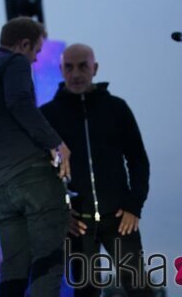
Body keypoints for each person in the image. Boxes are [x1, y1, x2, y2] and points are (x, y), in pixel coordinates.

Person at [0, 17, 70, 297]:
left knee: (14, 266)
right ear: (23, 44)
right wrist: (56, 143)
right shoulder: (16, 63)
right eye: (36, 51)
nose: (34, 60)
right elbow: (19, 103)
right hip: (33, 178)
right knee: (48, 260)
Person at [40, 44, 152, 297]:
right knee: (87, 291)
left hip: (120, 217)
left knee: (139, 288)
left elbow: (138, 160)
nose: (76, 73)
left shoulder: (116, 108)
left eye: (83, 66)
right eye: (69, 67)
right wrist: (60, 213)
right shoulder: (47, 116)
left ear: (95, 68)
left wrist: (135, 205)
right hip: (77, 222)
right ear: (61, 70)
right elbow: (40, 173)